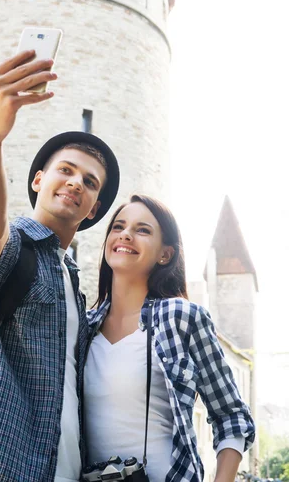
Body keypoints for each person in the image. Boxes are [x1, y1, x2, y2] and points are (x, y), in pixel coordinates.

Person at [0, 50, 120, 482]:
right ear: (38, 180)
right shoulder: (14, 248)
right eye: (65, 169)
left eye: (89, 181)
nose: (75, 182)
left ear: (93, 207)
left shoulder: (73, 283)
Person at [84, 194, 256, 482]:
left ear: (165, 254)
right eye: (118, 226)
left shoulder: (182, 316)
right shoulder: (83, 326)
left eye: (142, 230)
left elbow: (232, 417)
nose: (126, 234)